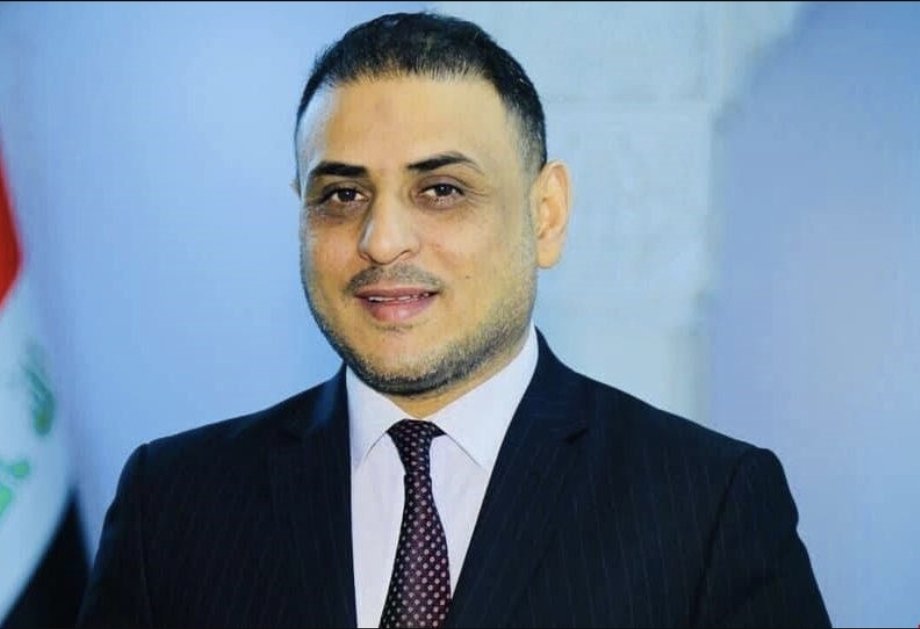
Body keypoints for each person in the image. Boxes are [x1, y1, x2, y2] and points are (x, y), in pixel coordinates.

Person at [78, 11, 830, 629]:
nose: (382, 240)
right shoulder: (171, 505)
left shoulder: (708, 506)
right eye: (341, 195)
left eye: (440, 190)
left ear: (547, 215)